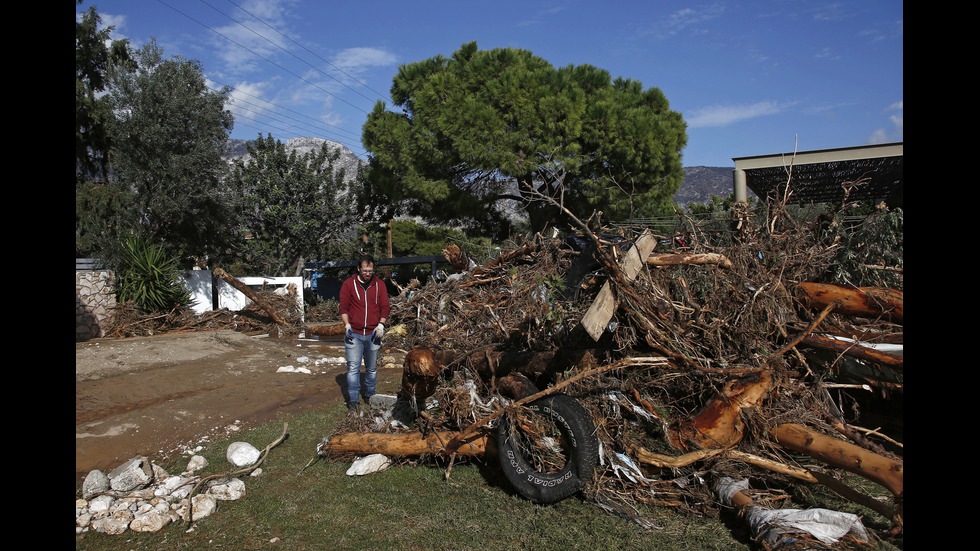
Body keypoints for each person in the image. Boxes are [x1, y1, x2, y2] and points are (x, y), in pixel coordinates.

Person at [339, 254, 390, 413]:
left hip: (374, 333)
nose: (368, 273)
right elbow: (343, 308)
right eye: (365, 270)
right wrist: (347, 325)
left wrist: (381, 325)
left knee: (372, 368)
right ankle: (353, 401)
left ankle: (370, 395)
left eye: (371, 270)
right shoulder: (349, 284)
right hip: (354, 334)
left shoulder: (379, 284)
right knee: (353, 368)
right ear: (359, 269)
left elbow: (385, 307)